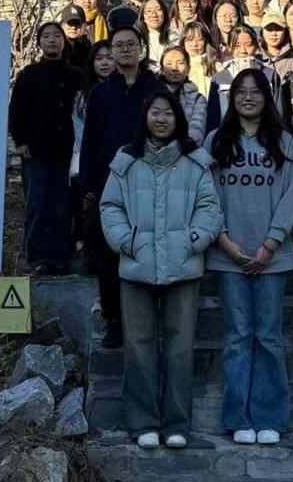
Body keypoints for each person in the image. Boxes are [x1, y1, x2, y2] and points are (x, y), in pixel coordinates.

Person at [101, 91, 224, 449]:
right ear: (145, 117)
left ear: (178, 119)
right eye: (155, 112)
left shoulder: (195, 161)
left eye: (168, 113)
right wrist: (127, 240)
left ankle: (177, 424)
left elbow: (210, 208)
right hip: (136, 265)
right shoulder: (127, 160)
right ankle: (143, 422)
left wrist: (192, 240)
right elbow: (110, 206)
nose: (161, 119)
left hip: (183, 265)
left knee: (179, 346)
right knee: (138, 345)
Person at [205, 69, 293, 446]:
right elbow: (207, 196)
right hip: (228, 256)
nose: (247, 97)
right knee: (237, 337)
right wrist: (224, 241)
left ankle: (270, 416)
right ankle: (238, 417)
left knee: (269, 337)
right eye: (240, 92)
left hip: (272, 258)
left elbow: (291, 196)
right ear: (232, 98)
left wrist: (270, 244)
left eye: (255, 91)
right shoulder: (216, 140)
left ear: (266, 97)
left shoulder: (283, 140)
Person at [80, 26, 164, 348]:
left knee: (148, 248)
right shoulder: (101, 93)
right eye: (119, 45)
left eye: (131, 44)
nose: (125, 50)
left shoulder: (155, 89)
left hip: (150, 180)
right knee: (109, 253)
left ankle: (149, 318)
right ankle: (113, 320)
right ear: (112, 51)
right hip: (109, 182)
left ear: (141, 48)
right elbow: (90, 140)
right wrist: (89, 182)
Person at [8, 22, 86, 275]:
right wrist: (20, 141)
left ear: (63, 41)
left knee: (63, 205)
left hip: (67, 152)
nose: (52, 40)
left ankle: (60, 256)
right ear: (39, 42)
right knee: (37, 203)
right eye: (46, 36)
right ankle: (36, 256)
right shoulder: (29, 75)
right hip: (37, 152)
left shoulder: (77, 75)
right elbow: (16, 111)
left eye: (56, 36)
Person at [72, 40, 116, 273]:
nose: (105, 63)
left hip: (118, 162)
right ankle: (90, 260)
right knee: (91, 211)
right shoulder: (82, 97)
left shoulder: (123, 90)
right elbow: (81, 134)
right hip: (92, 162)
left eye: (109, 57)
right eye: (99, 58)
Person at [205, 25, 285, 134]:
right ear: (229, 47)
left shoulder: (270, 75)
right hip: (228, 136)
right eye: (237, 45)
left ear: (256, 46)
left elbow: (278, 113)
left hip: (264, 134)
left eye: (248, 45)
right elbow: (212, 119)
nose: (243, 51)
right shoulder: (220, 78)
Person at [159, 45, 207, 143]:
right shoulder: (152, 95)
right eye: (169, 63)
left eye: (180, 63)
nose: (174, 68)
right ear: (162, 70)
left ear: (188, 68)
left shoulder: (198, 99)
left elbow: (196, 132)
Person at [179, 20, 218, 99]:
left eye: (199, 39)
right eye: (190, 40)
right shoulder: (180, 67)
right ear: (183, 42)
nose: (195, 45)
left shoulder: (216, 66)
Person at [258, 13, 293, 79]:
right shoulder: (255, 58)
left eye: (278, 29)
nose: (274, 34)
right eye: (269, 29)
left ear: (285, 32)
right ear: (262, 32)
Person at [139, 0, 171, 70]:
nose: (154, 14)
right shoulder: (138, 39)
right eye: (149, 11)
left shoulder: (173, 37)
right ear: (143, 16)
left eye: (158, 9)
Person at [60, 3, 92, 71]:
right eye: (70, 23)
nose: (73, 27)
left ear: (84, 25)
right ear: (62, 25)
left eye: (77, 23)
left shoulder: (90, 50)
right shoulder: (57, 47)